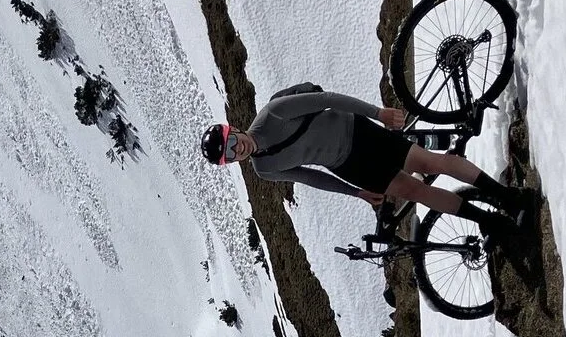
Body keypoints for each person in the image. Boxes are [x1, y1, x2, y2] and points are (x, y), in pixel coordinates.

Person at [201, 88, 534, 243]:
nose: (236, 149)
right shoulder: (264, 169)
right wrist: (356, 192)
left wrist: (377, 113)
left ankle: (507, 198)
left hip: (358, 133)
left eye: (231, 141)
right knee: (416, 192)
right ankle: (488, 221)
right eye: (229, 155)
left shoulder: (273, 112)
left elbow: (326, 100)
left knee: (430, 162)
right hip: (347, 166)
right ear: (229, 162)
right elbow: (309, 177)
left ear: (233, 128)